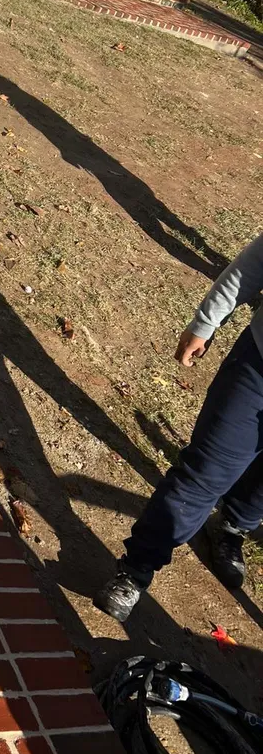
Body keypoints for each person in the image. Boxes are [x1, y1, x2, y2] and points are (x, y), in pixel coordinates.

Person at [95, 232, 263, 623]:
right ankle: (136, 569)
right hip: (258, 370)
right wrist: (207, 321)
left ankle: (233, 527)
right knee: (206, 472)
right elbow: (253, 266)